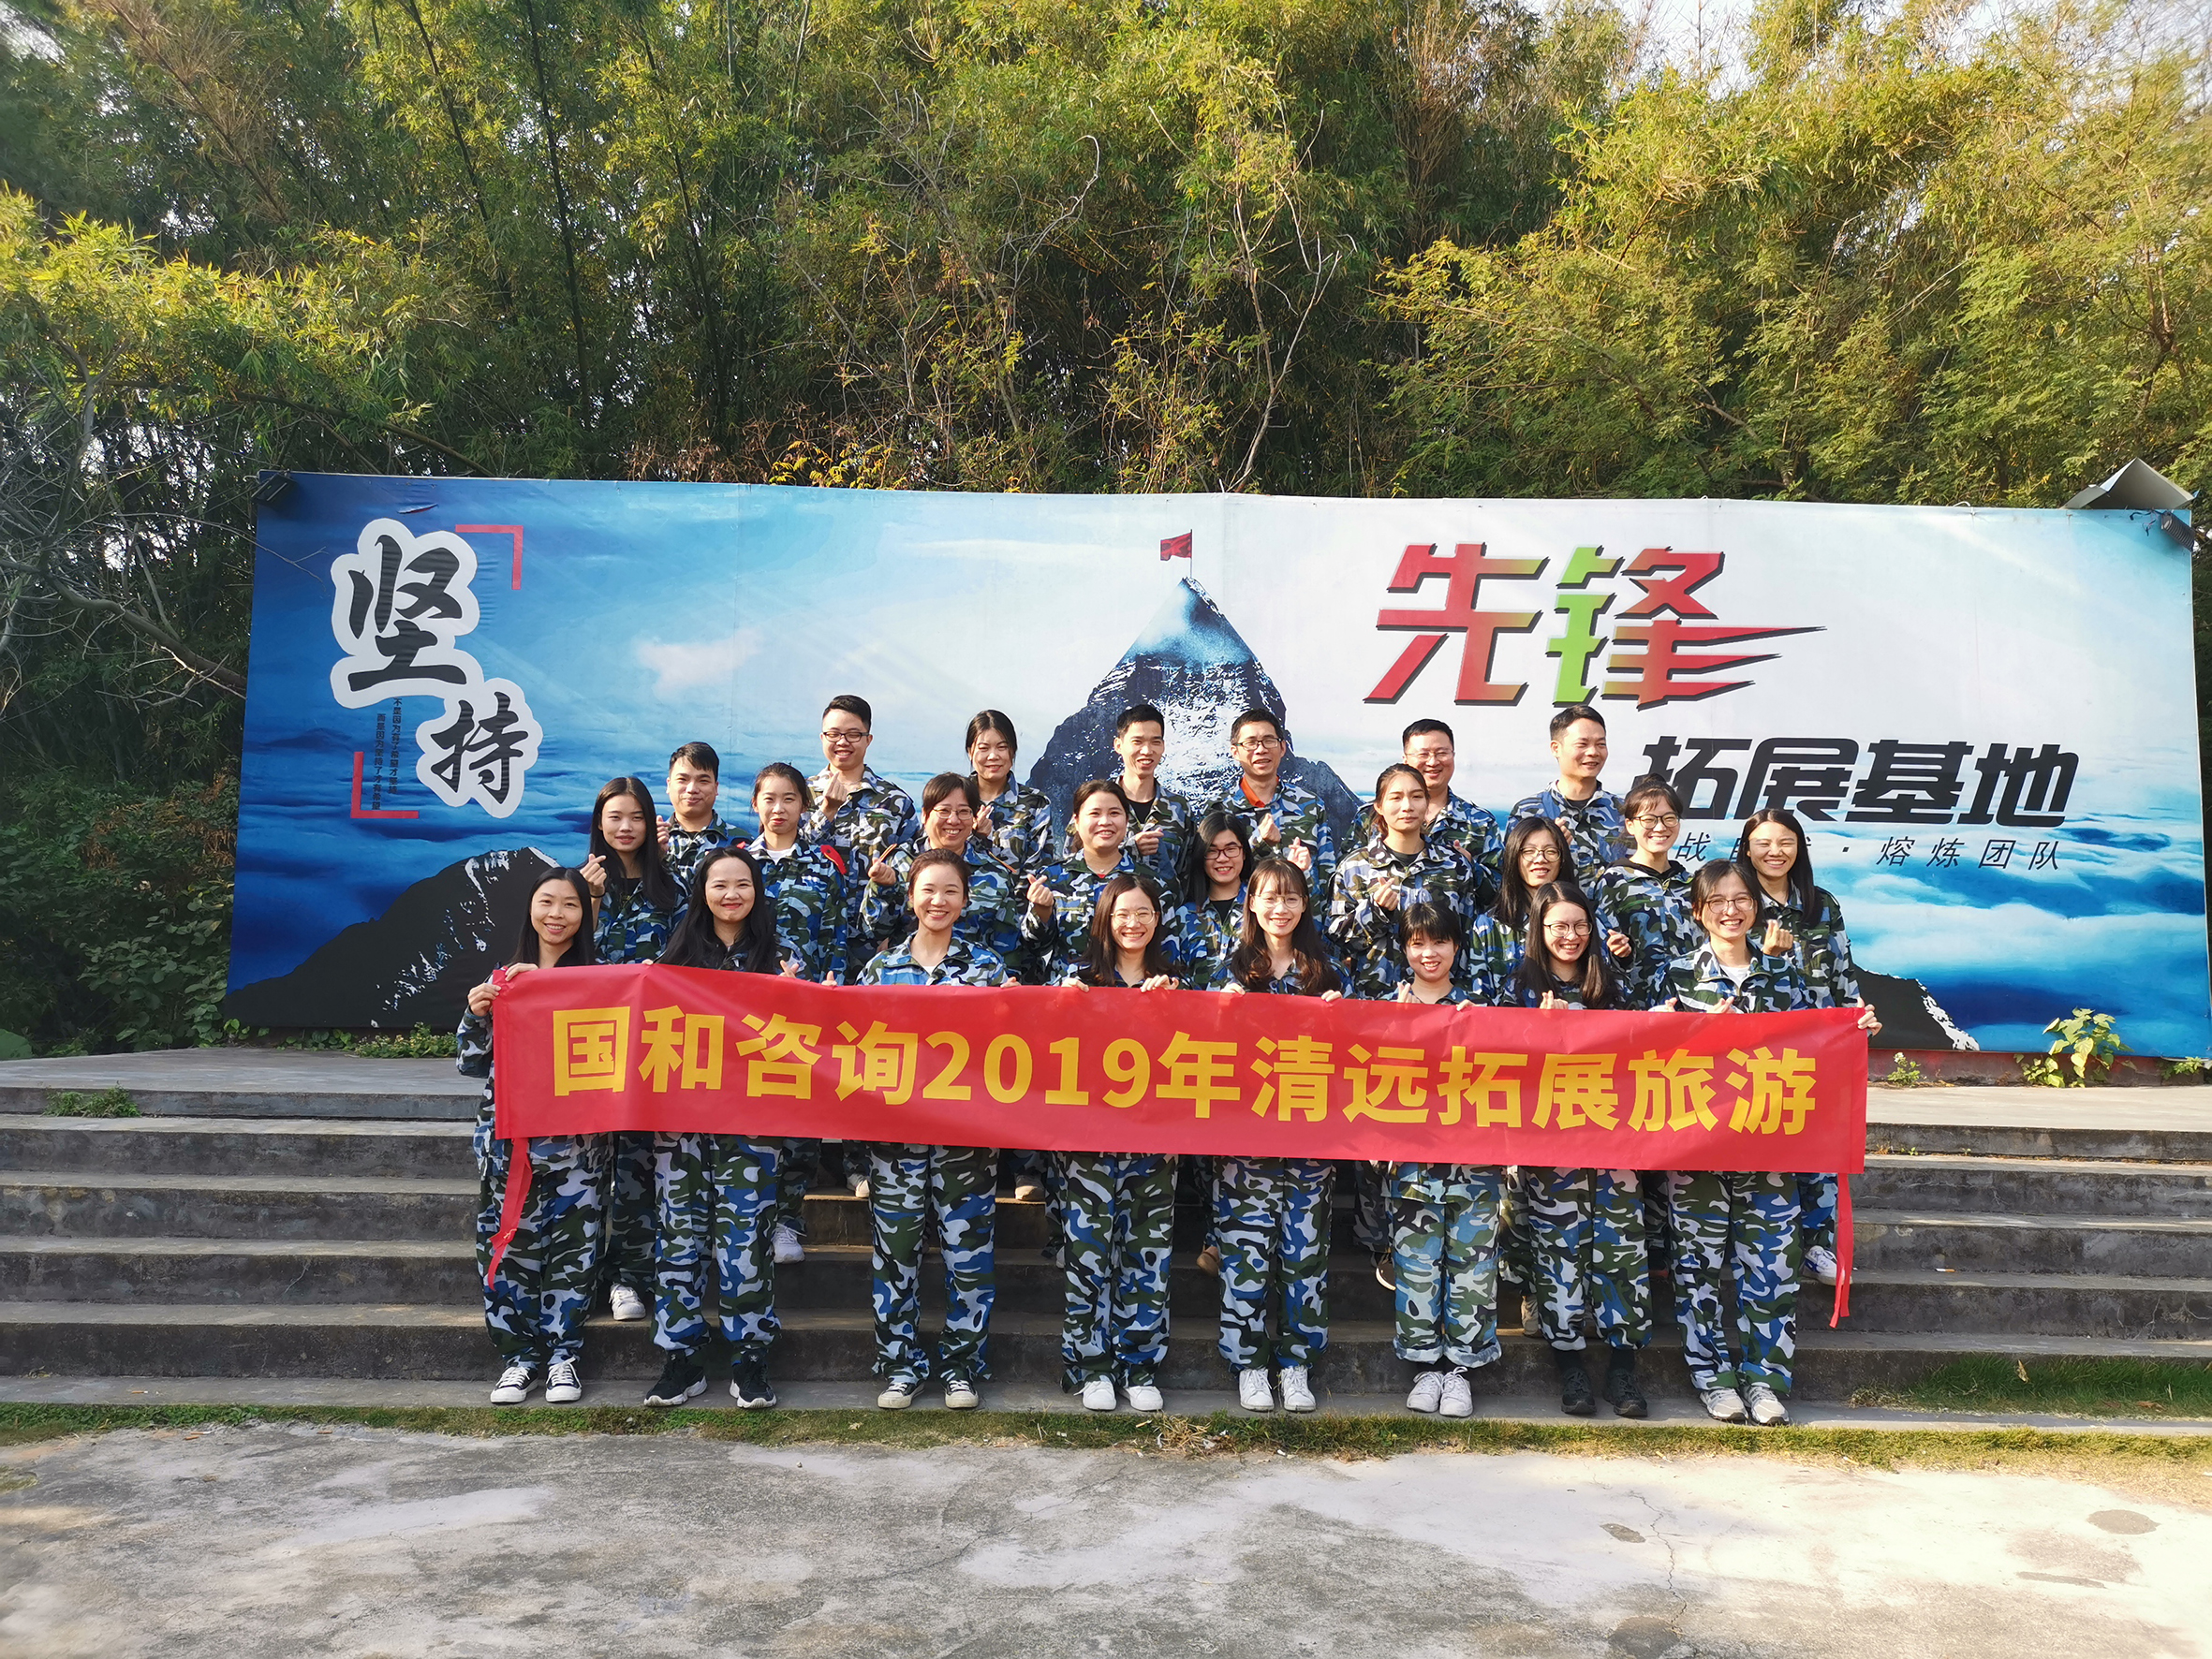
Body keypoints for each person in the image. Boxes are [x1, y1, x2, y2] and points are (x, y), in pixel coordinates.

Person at [1658, 859, 1879, 1425]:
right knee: (1697, 1273)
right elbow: (1643, 1052)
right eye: (1716, 901)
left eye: (1741, 899)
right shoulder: (1676, 978)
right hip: (1697, 1156)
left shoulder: (1785, 976)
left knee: (1773, 1271)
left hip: (1771, 1153)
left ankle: (1764, 1382)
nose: (1730, 910)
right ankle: (1713, 1379)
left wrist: (1853, 1031)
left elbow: (1818, 1041)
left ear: (1756, 907)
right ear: (1698, 911)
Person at [853, 849, 1013, 1410]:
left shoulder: (989, 971)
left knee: (968, 1258)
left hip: (966, 1142)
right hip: (895, 1142)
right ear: (910, 897)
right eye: (928, 890)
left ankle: (961, 1366)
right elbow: (851, 1046)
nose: (938, 901)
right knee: (895, 1253)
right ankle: (900, 1365)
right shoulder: (880, 970)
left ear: (965, 901)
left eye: (950, 891)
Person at [457, 868, 609, 1406]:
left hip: (578, 1150)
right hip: (508, 1145)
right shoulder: (505, 980)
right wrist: (477, 1013)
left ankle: (564, 1356)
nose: (556, 914)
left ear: (584, 914)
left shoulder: (600, 982)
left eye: (570, 904)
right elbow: (472, 1064)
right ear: (530, 908)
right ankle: (519, 1359)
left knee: (575, 1252)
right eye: (546, 902)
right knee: (507, 1251)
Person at [642, 848, 788, 1410]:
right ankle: (680, 1358)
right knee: (679, 1241)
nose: (731, 895)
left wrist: (804, 993)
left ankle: (750, 1357)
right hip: (681, 1129)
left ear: (757, 892)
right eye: (719, 884)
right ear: (702, 891)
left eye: (743, 884)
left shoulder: (781, 957)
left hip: (752, 1130)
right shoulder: (674, 957)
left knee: (746, 1242)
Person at [1507, 881, 1650, 1421]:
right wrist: (1536, 1033)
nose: (1571, 936)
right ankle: (1569, 1366)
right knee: (1558, 1254)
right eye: (1559, 926)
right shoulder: (1516, 986)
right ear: (1539, 930)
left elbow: (1650, 1044)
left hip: (1614, 1143)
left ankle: (1623, 1367)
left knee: (1622, 1253)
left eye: (1580, 925)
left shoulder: (1612, 984)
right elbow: (1494, 1058)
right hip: (1549, 1149)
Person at [1211, 856, 1344, 1415]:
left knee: (1304, 1256)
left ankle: (1295, 1364)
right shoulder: (1230, 968)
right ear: (1251, 903)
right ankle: (1249, 1364)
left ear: (1305, 905)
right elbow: (1200, 1048)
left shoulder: (1326, 973)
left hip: (1310, 1142)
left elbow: (1352, 1052)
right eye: (1269, 897)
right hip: (1246, 1145)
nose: (1280, 908)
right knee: (1245, 1255)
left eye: (1291, 898)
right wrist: (1223, 1011)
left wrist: (1341, 1016)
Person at [1737, 808, 1880, 1287]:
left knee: (1819, 1146)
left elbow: (1842, 970)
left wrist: (1856, 1018)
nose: (1775, 852)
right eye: (1763, 843)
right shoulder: (1738, 901)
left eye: (1786, 842)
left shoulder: (1822, 903)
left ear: (1800, 848)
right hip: (1759, 1046)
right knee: (1764, 1143)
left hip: (1819, 1045)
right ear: (1747, 848)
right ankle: (1758, 1245)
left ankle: (1818, 1246)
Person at [1056, 873, 1180, 1412]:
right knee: (1088, 1255)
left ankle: (1139, 1364)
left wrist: (1174, 1004)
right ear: (1105, 920)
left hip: (1154, 1147)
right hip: (1089, 1147)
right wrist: (1063, 1005)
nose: (1133, 923)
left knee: (1147, 1256)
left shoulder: (1177, 979)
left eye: (1143, 913)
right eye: (1122, 914)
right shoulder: (1077, 979)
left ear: (1158, 919)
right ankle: (1091, 1367)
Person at [1384, 902, 1503, 1420]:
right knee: (1416, 1268)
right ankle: (1425, 1367)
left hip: (1474, 1167)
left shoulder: (1481, 1007)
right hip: (1412, 1169)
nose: (1428, 953)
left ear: (1456, 947)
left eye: (1439, 942)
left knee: (1473, 1268)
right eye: (1417, 944)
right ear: (1404, 949)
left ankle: (1460, 1371)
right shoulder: (1385, 1008)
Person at [1587, 777, 1700, 1314]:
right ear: (1629, 824)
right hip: (1635, 1027)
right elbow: (1590, 954)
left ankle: (1671, 1252)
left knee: (1682, 1134)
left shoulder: (1696, 881)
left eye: (1668, 818)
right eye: (1648, 818)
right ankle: (1638, 1254)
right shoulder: (1610, 882)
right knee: (1639, 1131)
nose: (1659, 827)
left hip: (1694, 1029)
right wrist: (1618, 956)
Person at [579, 775, 681, 1327]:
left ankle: (633, 1276)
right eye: (614, 817)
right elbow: (568, 957)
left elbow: (690, 962)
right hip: (594, 1044)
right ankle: (586, 1277)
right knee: (593, 1166)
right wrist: (592, 899)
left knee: (642, 1165)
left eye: (636, 817)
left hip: (654, 1047)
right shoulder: (578, 885)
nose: (625, 827)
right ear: (599, 823)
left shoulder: (673, 889)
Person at [747, 761, 853, 1254]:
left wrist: (832, 992)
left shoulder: (823, 867)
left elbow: (836, 936)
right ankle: (747, 1221)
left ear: (804, 806)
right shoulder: (738, 865)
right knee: (750, 1118)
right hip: (747, 1015)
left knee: (800, 1121)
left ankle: (788, 1220)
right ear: (755, 804)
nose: (778, 809)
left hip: (807, 1012)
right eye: (769, 799)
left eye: (789, 799)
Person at [1172, 810, 1251, 1278]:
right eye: (1213, 851)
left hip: (1253, 1049)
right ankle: (1214, 1231)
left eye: (1232, 849)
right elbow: (1171, 973)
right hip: (1197, 1047)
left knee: (1240, 1145)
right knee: (1203, 1153)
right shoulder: (1184, 915)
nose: (1223, 859)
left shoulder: (1262, 906)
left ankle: (1231, 1238)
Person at [1329, 763, 1483, 1000]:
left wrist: (1461, 996)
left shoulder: (1454, 865)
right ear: (1379, 806)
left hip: (1440, 1005)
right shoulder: (1355, 867)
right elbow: (1337, 942)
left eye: (1417, 797)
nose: (1407, 806)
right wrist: (1375, 912)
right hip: (1375, 1003)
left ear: (1427, 803)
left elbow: (1467, 940)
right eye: (1396, 798)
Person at [860, 773, 1026, 970]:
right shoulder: (898, 863)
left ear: (974, 818)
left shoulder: (995, 873)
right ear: (925, 815)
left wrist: (1005, 983)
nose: (953, 820)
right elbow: (872, 931)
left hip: (975, 979)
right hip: (909, 976)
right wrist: (883, 889)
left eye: (963, 812)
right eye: (944, 811)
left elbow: (1008, 948)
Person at [1022, 778, 1141, 984]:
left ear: (1126, 820)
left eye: (1114, 813)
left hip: (1128, 994)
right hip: (1068, 992)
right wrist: (1042, 912)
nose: (1105, 822)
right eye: (1095, 814)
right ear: (1076, 821)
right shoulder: (1052, 877)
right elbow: (1033, 947)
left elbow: (1166, 952)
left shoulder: (1148, 881)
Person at [1217, 709, 1336, 904]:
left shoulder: (1310, 805)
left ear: (1282, 748)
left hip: (1304, 919)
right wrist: (1259, 842)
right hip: (1243, 919)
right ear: (1235, 752)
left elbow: (1327, 874)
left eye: (1269, 740)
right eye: (1250, 743)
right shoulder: (1220, 809)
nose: (1261, 749)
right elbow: (1216, 875)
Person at [1510, 703, 1630, 876]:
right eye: (1582, 744)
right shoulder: (1528, 812)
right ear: (1556, 748)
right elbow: (1513, 877)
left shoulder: (1624, 812)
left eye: (1601, 744)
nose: (1593, 752)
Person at [1395, 719, 1503, 901]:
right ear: (1405, 760)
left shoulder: (1480, 823)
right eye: (1423, 754)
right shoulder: (1375, 817)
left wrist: (1470, 866)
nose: (1433, 762)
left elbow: (1501, 891)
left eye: (1442, 753)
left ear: (1453, 756)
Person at [809, 693, 920, 869]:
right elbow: (787, 854)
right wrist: (826, 812)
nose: (842, 742)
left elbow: (914, 867)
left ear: (868, 740)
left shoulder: (896, 802)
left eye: (853, 734)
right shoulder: (799, 795)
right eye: (834, 734)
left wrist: (890, 878)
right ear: (822, 738)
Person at [1113, 702, 1196, 901]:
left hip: (1167, 916)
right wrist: (1130, 849)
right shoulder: (1097, 804)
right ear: (1118, 745)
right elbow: (1075, 863)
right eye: (1137, 742)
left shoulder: (1179, 809)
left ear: (1163, 746)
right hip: (1110, 914)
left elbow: (1190, 875)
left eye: (1155, 742)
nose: (1147, 751)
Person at [966, 710, 1056, 880]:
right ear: (970, 752)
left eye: (1002, 747)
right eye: (984, 748)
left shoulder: (1035, 803)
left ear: (1012, 751)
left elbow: (1038, 870)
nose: (993, 756)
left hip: (1017, 897)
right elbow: (936, 857)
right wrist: (973, 836)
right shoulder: (954, 799)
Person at [659, 741, 735, 891]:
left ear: (716, 788)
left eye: (703, 781)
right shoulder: (651, 841)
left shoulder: (740, 843)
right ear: (669, 785)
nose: (692, 789)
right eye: (683, 780)